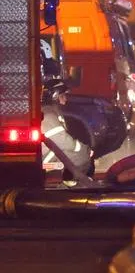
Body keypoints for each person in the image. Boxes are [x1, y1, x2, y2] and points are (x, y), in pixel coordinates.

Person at [39, 41, 93, 182]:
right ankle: (71, 183)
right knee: (81, 157)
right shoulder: (49, 116)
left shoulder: (50, 113)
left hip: (45, 157)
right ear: (55, 96)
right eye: (63, 96)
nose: (65, 100)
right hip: (45, 160)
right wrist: (84, 149)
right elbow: (64, 143)